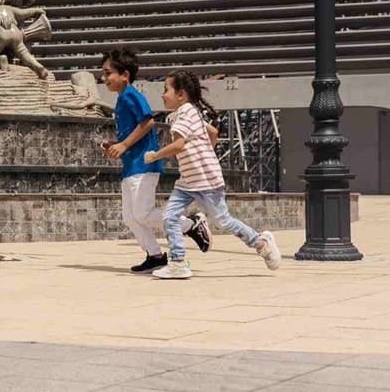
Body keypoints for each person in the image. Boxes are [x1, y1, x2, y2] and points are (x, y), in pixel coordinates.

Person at [144, 70, 282, 279]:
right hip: (188, 181)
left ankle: (261, 242)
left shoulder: (185, 112)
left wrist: (155, 156)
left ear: (181, 94)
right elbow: (213, 133)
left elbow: (179, 145)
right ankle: (178, 262)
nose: (162, 95)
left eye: (166, 90)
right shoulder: (187, 113)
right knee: (169, 216)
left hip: (205, 180)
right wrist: (206, 153)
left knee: (223, 221)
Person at [101, 48, 210, 273]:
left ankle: (191, 224)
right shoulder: (122, 98)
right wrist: (116, 144)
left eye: (108, 73)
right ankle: (155, 255)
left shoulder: (132, 95)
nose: (104, 78)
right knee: (130, 217)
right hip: (131, 165)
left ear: (125, 75)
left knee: (143, 214)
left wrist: (124, 145)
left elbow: (148, 122)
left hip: (144, 164)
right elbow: (133, 131)